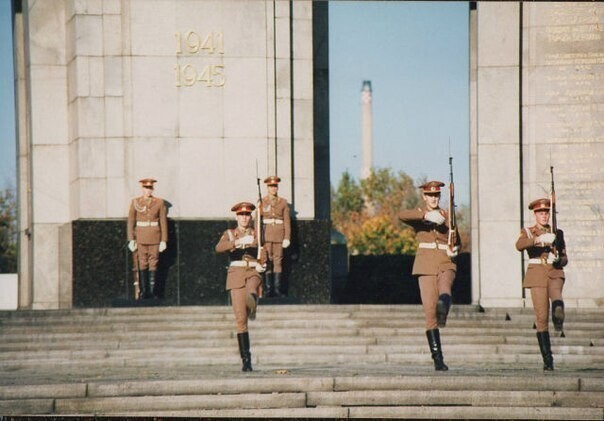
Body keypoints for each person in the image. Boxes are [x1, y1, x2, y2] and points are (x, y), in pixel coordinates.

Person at [398, 180, 461, 371]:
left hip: (445, 261)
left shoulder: (448, 216)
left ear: (440, 197)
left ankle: (444, 308)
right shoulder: (420, 215)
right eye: (430, 195)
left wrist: (455, 249)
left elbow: (456, 240)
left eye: (436, 195)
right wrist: (426, 215)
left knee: (445, 290)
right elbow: (402, 215)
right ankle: (438, 359)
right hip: (425, 265)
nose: (433, 198)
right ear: (424, 197)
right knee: (429, 313)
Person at [515, 198, 568, 371]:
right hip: (537, 274)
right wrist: (538, 240)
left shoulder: (558, 232)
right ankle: (548, 359)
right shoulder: (529, 232)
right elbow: (519, 245)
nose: (544, 216)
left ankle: (558, 312)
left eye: (546, 213)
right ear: (535, 215)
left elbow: (565, 258)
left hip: (555, 271)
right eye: (540, 213)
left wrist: (559, 259)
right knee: (541, 318)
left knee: (557, 296)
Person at [215, 202, 266, 372]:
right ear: (236, 217)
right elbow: (219, 247)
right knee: (240, 320)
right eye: (241, 215)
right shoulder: (230, 234)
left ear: (251, 217)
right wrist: (237, 243)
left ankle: (252, 302)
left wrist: (263, 265)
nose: (244, 217)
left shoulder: (256, 233)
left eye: (247, 214)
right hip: (236, 275)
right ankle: (246, 359)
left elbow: (263, 252)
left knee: (251, 291)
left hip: (252, 271)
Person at [127, 178, 168, 300]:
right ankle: (144, 291)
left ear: (153, 189)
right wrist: (131, 239)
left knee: (153, 263)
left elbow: (162, 221)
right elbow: (131, 221)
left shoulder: (159, 202)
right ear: (142, 188)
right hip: (140, 236)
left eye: (150, 188)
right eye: (146, 188)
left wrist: (163, 240)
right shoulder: (136, 202)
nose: (148, 190)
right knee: (142, 263)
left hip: (155, 236)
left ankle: (152, 291)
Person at [259, 176, 291, 297]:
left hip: (279, 235)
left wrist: (287, 237)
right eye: (271, 186)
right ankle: (268, 289)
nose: (273, 188)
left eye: (275, 186)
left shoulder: (282, 202)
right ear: (267, 188)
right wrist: (258, 237)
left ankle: (277, 289)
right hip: (266, 235)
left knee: (278, 261)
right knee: (267, 260)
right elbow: (258, 221)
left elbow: (287, 221)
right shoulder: (262, 202)